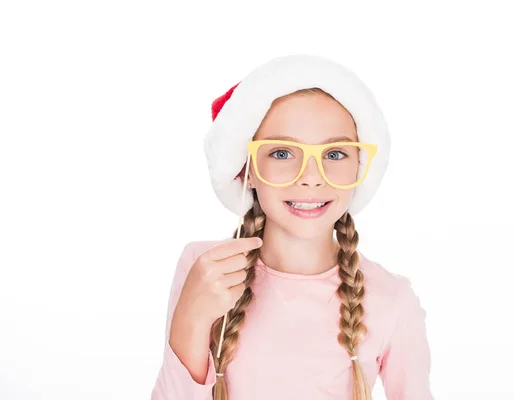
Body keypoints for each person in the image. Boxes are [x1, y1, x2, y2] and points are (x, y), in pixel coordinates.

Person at [151, 54, 434, 400]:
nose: (311, 178)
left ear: (359, 167)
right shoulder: (206, 268)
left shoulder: (392, 300)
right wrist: (191, 320)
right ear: (248, 169)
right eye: (283, 153)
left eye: (334, 154)